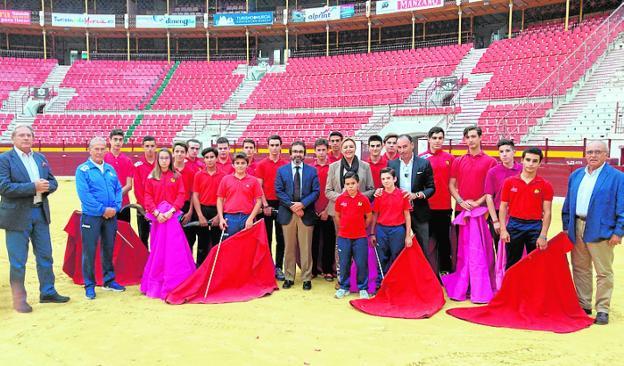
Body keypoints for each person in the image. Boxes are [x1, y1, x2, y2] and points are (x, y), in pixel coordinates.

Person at [0, 125, 70, 313]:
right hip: (17, 215)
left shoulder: (40, 158)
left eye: (29, 135)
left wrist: (48, 186)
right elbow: (4, 187)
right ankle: (18, 299)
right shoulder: (4, 159)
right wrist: (33, 187)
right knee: (18, 260)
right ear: (13, 138)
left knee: (45, 255)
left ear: (33, 138)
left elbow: (53, 181)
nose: (25, 138)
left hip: (40, 212)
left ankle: (47, 291)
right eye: (21, 135)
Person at [562, 140, 624, 325]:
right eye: (589, 152)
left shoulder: (617, 177)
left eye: (598, 152)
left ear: (606, 155)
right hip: (577, 226)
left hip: (602, 229)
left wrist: (618, 232)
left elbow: (622, 206)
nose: (593, 155)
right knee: (580, 268)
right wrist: (567, 226)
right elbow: (568, 204)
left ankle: (603, 308)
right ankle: (584, 304)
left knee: (603, 271)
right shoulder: (576, 175)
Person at [141, 148, 195, 300]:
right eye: (161, 158)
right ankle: (156, 282)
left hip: (171, 217)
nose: (164, 160)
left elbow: (181, 195)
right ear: (158, 160)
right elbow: (147, 196)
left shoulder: (176, 176)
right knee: (158, 247)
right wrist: (157, 213)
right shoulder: (151, 177)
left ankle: (176, 280)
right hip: (158, 219)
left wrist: (171, 211)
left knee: (174, 247)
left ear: (170, 160)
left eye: (166, 158)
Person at [76, 136, 125, 300]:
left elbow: (118, 189)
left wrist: (116, 208)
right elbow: (85, 196)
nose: (99, 151)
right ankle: (89, 285)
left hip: (111, 216)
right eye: (96, 148)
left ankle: (109, 280)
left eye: (102, 148)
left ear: (106, 150)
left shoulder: (110, 169)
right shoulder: (82, 170)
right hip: (92, 217)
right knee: (89, 251)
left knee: (109, 248)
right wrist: (102, 210)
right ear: (89, 150)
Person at [326, 138, 375, 289]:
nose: (348, 149)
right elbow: (328, 191)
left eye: (351, 147)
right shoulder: (333, 166)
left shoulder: (365, 166)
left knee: (358, 246)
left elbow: (372, 188)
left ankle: (359, 279)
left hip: (360, 210)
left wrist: (356, 198)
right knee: (340, 244)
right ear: (341, 150)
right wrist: (343, 198)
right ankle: (342, 278)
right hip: (339, 211)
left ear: (355, 148)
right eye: (345, 147)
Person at [275, 141, 320, 291]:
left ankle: (307, 278)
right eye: (295, 151)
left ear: (305, 154)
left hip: (305, 214)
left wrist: (302, 205)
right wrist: (293, 206)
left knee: (306, 247)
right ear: (290, 154)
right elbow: (279, 191)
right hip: (288, 213)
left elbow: (316, 191)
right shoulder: (282, 171)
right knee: (289, 247)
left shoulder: (312, 171)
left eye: (300, 151)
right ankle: (289, 277)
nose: (298, 154)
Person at [387, 134, 436, 271]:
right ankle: (401, 277)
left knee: (422, 247)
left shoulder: (423, 163)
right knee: (398, 247)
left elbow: (431, 188)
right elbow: (387, 186)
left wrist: (417, 195)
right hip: (398, 214)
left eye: (405, 146)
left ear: (412, 145)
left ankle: (423, 278)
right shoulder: (392, 164)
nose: (402, 150)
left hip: (420, 211)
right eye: (399, 147)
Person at [499, 148, 553, 269]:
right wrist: (503, 229)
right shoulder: (509, 182)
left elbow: (548, 212)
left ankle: (533, 288)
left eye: (535, 161)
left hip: (535, 227)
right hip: (514, 224)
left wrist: (543, 235)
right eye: (528, 160)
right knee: (512, 263)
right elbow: (503, 207)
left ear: (539, 163)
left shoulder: (545, 185)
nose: (530, 163)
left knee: (536, 263)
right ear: (522, 160)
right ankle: (511, 288)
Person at [370, 167, 412, 290]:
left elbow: (407, 215)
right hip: (382, 230)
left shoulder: (402, 195)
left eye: (388, 178)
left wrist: (408, 235)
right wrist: (372, 233)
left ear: (394, 179)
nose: (386, 181)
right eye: (383, 179)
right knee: (381, 257)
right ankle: (380, 284)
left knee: (397, 258)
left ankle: (396, 285)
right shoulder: (379, 195)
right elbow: (375, 214)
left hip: (398, 230)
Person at [419, 127, 454, 274]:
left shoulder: (450, 159)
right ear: (429, 139)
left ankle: (445, 270)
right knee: (424, 241)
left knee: (444, 240)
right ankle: (424, 271)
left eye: (440, 138)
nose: (437, 141)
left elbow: (454, 184)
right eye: (434, 138)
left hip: (444, 207)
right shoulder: (421, 158)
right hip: (425, 207)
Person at [334, 172, 373, 299]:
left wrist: (362, 227)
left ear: (358, 184)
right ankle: (344, 287)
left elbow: (369, 217)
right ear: (344, 185)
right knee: (344, 263)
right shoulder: (340, 199)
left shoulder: (364, 199)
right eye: (347, 184)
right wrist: (344, 228)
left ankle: (363, 288)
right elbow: (337, 216)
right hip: (343, 237)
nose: (350, 187)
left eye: (353, 184)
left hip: (360, 237)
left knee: (361, 263)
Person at [256, 135, 289, 281]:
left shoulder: (285, 164)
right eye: (272, 145)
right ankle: (268, 266)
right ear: (267, 146)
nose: (274, 148)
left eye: (277, 145)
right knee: (267, 237)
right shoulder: (261, 164)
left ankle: (279, 267)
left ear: (281, 146)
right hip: (266, 204)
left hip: (282, 203)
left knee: (281, 238)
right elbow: (259, 186)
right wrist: (265, 205)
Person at [449, 126, 497, 213]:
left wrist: (477, 202)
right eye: (467, 137)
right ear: (465, 140)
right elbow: (451, 185)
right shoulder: (457, 161)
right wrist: (461, 202)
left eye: (473, 136)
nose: (470, 140)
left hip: (483, 209)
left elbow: (492, 188)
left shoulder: (491, 162)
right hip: (461, 209)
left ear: (480, 137)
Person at [485, 139, 522, 246]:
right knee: (499, 247)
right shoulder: (493, 172)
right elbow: (489, 197)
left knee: (517, 248)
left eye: (507, 151)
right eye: (501, 152)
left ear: (514, 152)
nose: (504, 154)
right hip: (498, 213)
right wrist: (495, 221)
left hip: (518, 214)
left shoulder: (522, 169)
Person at [192, 147, 225, 266]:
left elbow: (225, 198)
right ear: (203, 159)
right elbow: (195, 196)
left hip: (217, 210)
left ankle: (216, 269)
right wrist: (200, 215)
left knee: (217, 243)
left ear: (216, 158)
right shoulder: (198, 175)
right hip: (202, 209)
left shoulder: (223, 176)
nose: (209, 160)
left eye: (212, 157)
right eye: (206, 157)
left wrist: (218, 216)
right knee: (202, 243)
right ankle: (200, 268)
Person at [217, 152, 263, 237]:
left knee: (247, 246)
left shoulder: (254, 180)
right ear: (233, 165)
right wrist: (221, 218)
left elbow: (258, 201)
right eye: (237, 163)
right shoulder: (226, 179)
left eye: (243, 163)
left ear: (247, 164)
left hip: (247, 216)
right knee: (231, 246)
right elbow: (220, 199)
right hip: (230, 217)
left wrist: (251, 218)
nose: (240, 165)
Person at [311, 138, 336, 281]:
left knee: (329, 240)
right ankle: (313, 269)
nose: (321, 153)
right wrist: (312, 209)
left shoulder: (333, 167)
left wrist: (327, 210)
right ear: (315, 151)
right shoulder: (309, 168)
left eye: (323, 150)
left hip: (329, 210)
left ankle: (327, 270)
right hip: (312, 210)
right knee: (313, 242)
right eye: (318, 150)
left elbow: (335, 190)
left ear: (328, 150)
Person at [173, 142, 200, 254]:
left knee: (189, 238)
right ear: (173, 153)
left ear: (186, 154)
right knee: (173, 239)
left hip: (186, 207)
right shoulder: (167, 170)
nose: (179, 154)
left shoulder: (191, 172)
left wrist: (190, 211)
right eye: (177, 151)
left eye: (182, 152)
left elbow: (193, 193)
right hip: (170, 208)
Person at [104, 129, 133, 222]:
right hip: (106, 204)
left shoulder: (128, 161)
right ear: (110, 140)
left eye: (120, 139)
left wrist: (116, 196)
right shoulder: (103, 159)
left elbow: (129, 185)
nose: (118, 142)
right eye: (115, 139)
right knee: (108, 234)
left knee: (124, 233)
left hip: (124, 204)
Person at [133, 135, 157, 248]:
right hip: (143, 209)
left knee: (158, 238)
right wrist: (147, 209)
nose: (150, 149)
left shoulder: (161, 163)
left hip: (159, 209)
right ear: (142, 147)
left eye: (152, 146)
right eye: (147, 146)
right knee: (143, 238)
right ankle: (144, 263)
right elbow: (138, 190)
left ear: (156, 147)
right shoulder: (138, 166)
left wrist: (156, 209)